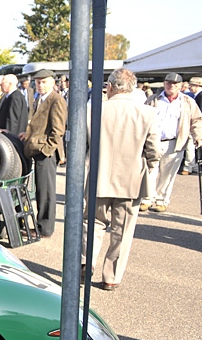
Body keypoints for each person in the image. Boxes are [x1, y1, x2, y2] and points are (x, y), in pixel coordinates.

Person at [82, 68, 160, 291]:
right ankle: (111, 276)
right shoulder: (147, 113)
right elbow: (154, 150)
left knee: (92, 223)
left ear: (111, 86)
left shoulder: (93, 110)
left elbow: (81, 144)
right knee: (122, 230)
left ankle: (86, 263)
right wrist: (150, 167)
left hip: (98, 175)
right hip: (131, 179)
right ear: (132, 88)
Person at [141, 73, 202, 211]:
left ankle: (162, 200)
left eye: (175, 84)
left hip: (174, 143)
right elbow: (142, 118)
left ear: (180, 86)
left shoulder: (187, 101)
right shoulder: (153, 99)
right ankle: (147, 198)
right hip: (153, 141)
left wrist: (198, 136)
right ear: (164, 84)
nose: (171, 86)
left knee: (168, 174)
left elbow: (197, 120)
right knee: (150, 171)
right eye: (169, 83)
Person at [20, 69, 67, 236]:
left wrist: (47, 149)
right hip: (38, 149)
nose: (40, 85)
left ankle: (45, 228)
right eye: (38, 82)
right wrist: (28, 135)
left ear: (53, 83)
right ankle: (42, 226)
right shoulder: (40, 99)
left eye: (44, 82)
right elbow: (40, 125)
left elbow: (58, 130)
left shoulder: (56, 100)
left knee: (46, 191)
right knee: (41, 190)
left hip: (46, 152)